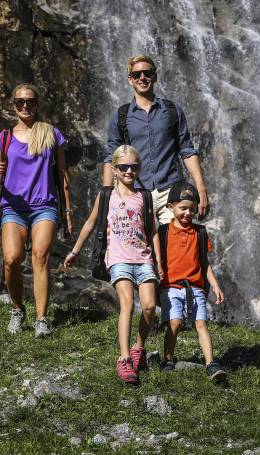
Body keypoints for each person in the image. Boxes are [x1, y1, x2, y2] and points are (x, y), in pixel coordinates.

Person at [63, 145, 162, 384]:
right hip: (118, 258)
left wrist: (159, 260)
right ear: (114, 170)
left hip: (143, 257)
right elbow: (89, 223)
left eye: (134, 167)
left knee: (149, 307)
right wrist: (75, 250)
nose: (129, 171)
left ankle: (139, 348)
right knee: (127, 304)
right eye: (123, 167)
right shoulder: (106, 195)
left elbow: (153, 231)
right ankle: (124, 359)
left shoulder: (144, 196)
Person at [0, 83, 73, 338]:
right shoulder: (3, 138)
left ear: (38, 103)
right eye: (20, 102)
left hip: (44, 206)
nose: (25, 106)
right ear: (13, 105)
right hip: (13, 207)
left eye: (30, 101)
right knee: (12, 259)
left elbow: (62, 175)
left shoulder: (51, 134)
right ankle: (17, 309)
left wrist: (68, 212)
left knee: (40, 256)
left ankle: (41, 319)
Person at [104, 54, 209, 225]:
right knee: (137, 248)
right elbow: (111, 158)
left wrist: (201, 188)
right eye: (137, 75)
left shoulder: (172, 110)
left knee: (174, 247)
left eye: (147, 73)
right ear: (130, 79)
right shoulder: (120, 116)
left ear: (155, 76)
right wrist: (107, 196)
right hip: (134, 192)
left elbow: (187, 150)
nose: (142, 78)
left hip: (170, 190)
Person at [158, 181, 226, 382]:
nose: (187, 213)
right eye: (183, 208)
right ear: (170, 207)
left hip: (195, 287)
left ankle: (211, 363)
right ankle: (168, 359)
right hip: (171, 287)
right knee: (175, 322)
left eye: (192, 209)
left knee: (201, 323)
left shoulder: (200, 233)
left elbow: (205, 263)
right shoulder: (163, 232)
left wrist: (214, 285)